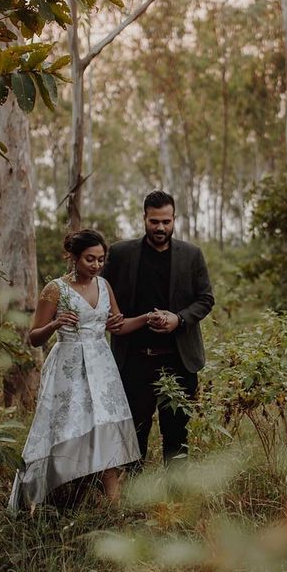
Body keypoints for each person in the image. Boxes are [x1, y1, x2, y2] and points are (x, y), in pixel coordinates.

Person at [8, 230, 152, 510]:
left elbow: (117, 326)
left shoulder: (104, 285)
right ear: (73, 257)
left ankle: (115, 511)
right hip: (69, 368)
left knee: (105, 432)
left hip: (102, 369)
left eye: (101, 259)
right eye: (90, 259)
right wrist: (54, 324)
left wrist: (146, 318)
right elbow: (34, 337)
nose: (96, 265)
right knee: (65, 433)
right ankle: (46, 500)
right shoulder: (55, 289)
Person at [101, 191, 215, 464]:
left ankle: (176, 501)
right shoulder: (119, 253)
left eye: (166, 221)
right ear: (144, 219)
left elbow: (206, 299)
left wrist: (179, 319)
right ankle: (134, 499)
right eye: (154, 221)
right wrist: (107, 317)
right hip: (133, 361)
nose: (160, 227)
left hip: (179, 360)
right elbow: (99, 293)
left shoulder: (192, 255)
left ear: (174, 219)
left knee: (177, 434)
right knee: (133, 433)